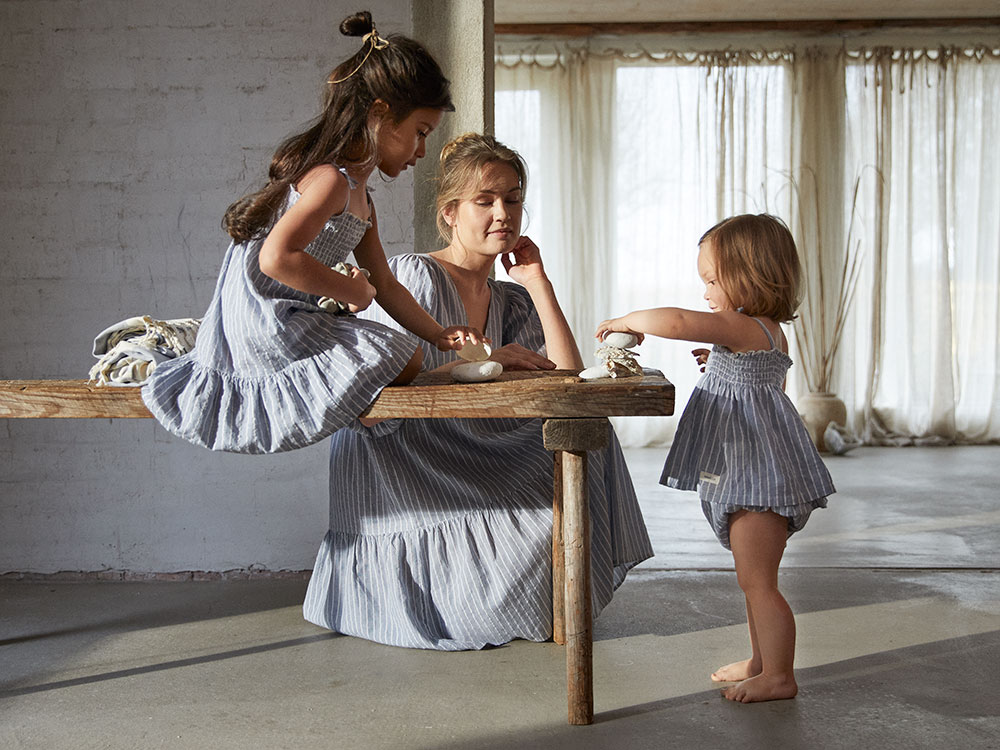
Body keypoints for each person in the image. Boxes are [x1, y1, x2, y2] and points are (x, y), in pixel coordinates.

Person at [303, 133, 653, 650]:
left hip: (476, 443)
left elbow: (568, 381)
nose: (503, 214)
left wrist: (538, 282)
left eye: (512, 199)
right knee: (554, 487)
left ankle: (555, 602)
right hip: (407, 450)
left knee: (587, 433)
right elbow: (370, 394)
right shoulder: (412, 276)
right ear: (449, 213)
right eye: (484, 201)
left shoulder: (511, 297)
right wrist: (490, 360)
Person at [142, 11, 481, 454]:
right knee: (394, 356)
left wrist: (439, 333)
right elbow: (276, 258)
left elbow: (386, 284)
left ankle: (354, 389)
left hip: (295, 314)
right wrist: (349, 291)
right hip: (263, 318)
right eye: (420, 133)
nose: (421, 151)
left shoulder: (362, 197)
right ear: (380, 114)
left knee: (408, 354)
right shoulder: (332, 180)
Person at [595, 214, 835, 703]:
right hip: (754, 472)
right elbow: (765, 388)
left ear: (749, 276)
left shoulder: (742, 325)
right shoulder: (761, 332)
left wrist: (627, 322)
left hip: (757, 480)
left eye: (711, 280)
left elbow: (678, 323)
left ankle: (780, 676)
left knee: (759, 583)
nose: (704, 291)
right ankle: (761, 660)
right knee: (753, 580)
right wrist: (720, 361)